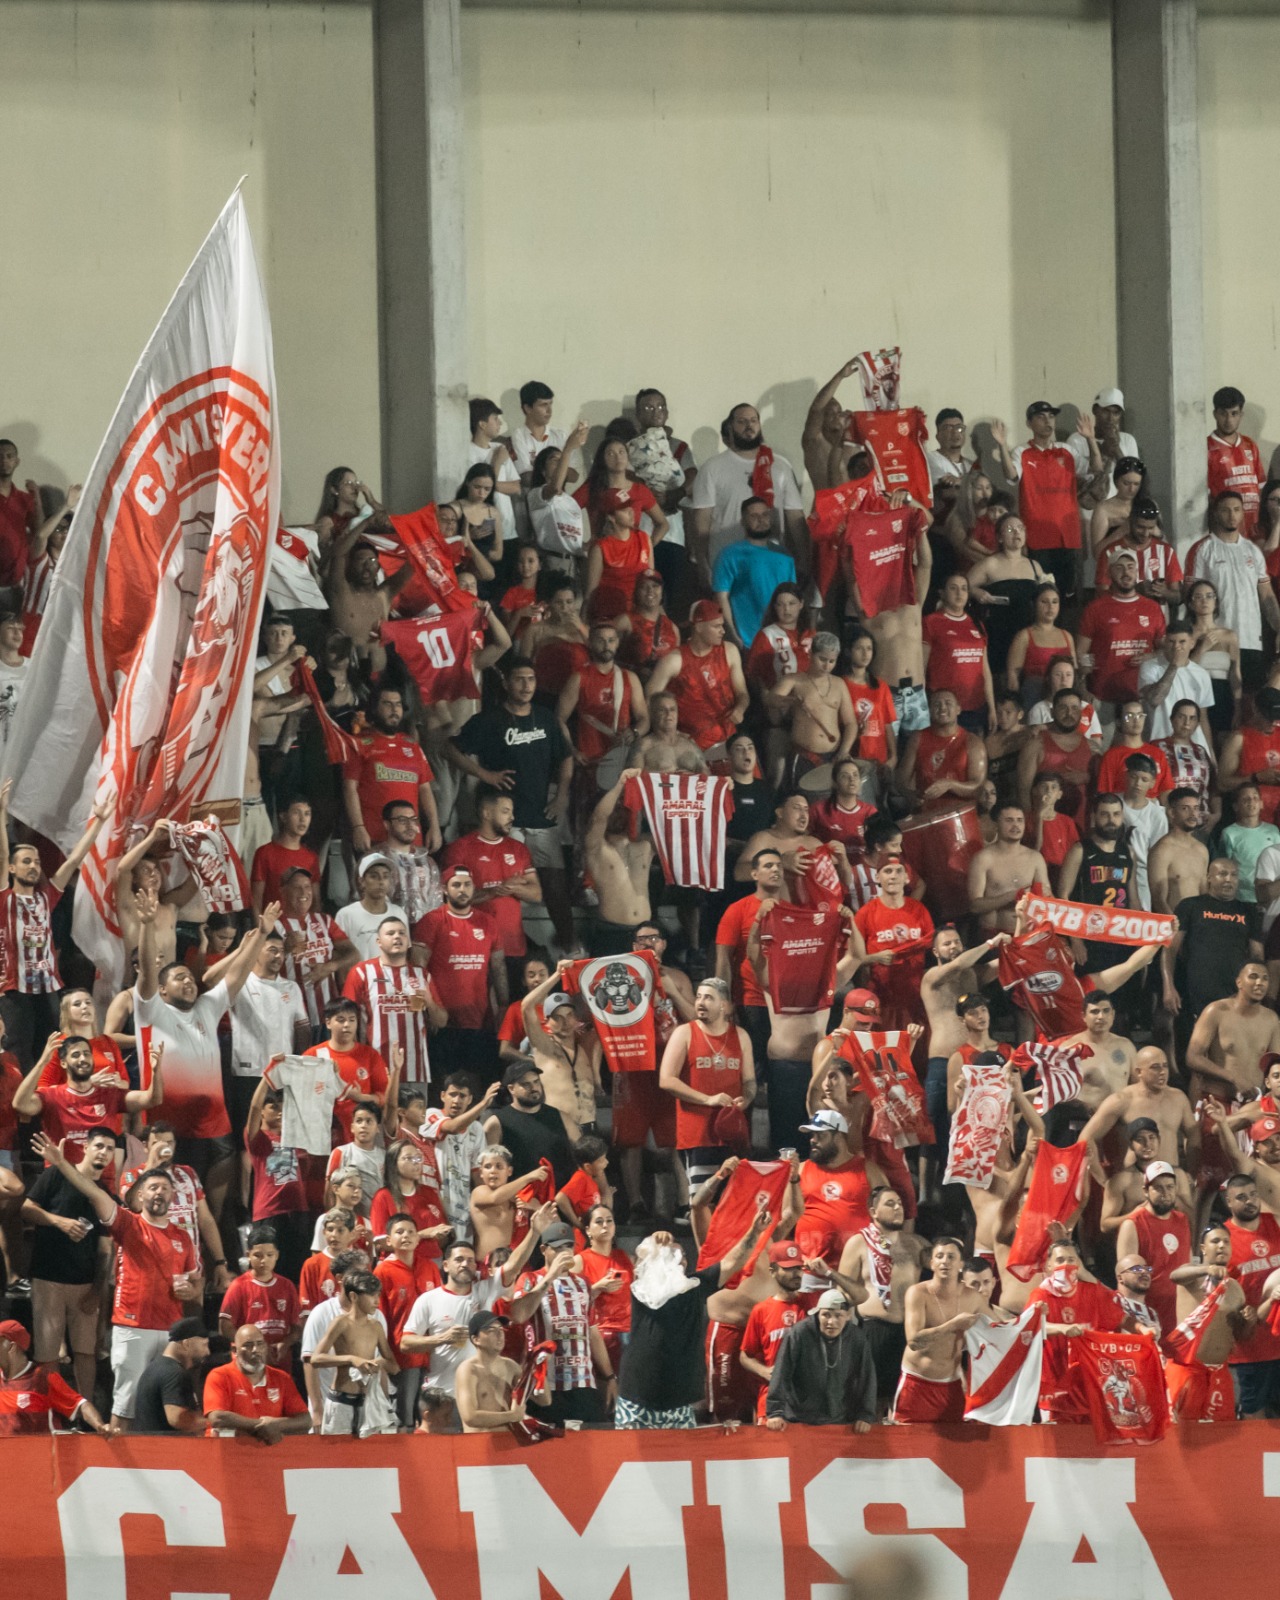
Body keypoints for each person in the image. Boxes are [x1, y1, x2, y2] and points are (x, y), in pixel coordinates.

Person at [615, 1208, 771, 1429]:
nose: (679, 1260)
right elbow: (641, 1261)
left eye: (682, 1256)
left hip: (679, 1405)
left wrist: (754, 1232)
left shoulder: (696, 1287)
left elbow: (731, 1263)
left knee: (679, 1462)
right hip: (637, 1401)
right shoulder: (643, 1291)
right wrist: (655, 1242)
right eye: (671, 1256)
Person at [0, 781, 114, 1067]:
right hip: (15, 990)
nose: (33, 866)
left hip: (48, 987)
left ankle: (45, 1106)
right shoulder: (5, 898)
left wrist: (98, 823)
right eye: (26, 861)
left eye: (36, 861)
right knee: (18, 1054)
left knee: (51, 1050)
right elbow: (3, 855)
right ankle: (20, 1108)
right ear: (12, 869)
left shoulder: (47, 896)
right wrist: (2, 816)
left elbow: (75, 857)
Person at [400, 1212, 550, 1427]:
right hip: (442, 1396)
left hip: (479, 1398)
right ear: (446, 1265)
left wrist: (534, 1233)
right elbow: (405, 1344)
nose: (465, 1264)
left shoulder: (485, 1290)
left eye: (470, 1260)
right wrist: (441, 1339)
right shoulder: (429, 1300)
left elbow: (514, 1265)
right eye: (459, 1259)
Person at [21, 1127, 115, 1398]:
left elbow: (105, 1251)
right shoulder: (56, 1174)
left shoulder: (103, 1194)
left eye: (110, 1148)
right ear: (85, 1147)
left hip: (84, 1284)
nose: (104, 1153)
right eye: (99, 1145)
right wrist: (59, 1222)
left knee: (86, 1353)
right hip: (48, 1277)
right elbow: (26, 1210)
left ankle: (84, 1412)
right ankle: (52, 1411)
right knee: (48, 1354)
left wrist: (97, 1290)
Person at [659, 977, 756, 1188]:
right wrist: (708, 1099)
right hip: (698, 1134)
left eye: (708, 998)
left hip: (732, 1134)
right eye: (699, 997)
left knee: (732, 1202)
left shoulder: (741, 1036)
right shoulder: (684, 1033)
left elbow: (749, 1081)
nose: (701, 1003)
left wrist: (746, 1099)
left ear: (724, 1005)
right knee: (703, 1201)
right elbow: (666, 1080)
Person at [837, 1186, 928, 1409]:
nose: (898, 1208)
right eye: (890, 1203)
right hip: (873, 1330)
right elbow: (843, 1292)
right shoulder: (858, 1243)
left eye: (900, 1203)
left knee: (903, 1398)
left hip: (908, 1331)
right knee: (869, 1399)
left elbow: (945, 1265)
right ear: (873, 1211)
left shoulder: (916, 1243)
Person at [688, 402, 805, 575]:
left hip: (771, 560)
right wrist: (703, 564)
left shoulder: (780, 465)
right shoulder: (712, 467)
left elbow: (795, 516)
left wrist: (804, 560)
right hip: (726, 562)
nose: (749, 426)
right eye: (742, 421)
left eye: (753, 421)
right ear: (730, 427)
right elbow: (701, 521)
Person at [414, 865, 507, 1079]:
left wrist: (502, 1007)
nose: (462, 890)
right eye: (456, 885)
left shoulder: (488, 923)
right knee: (444, 1087)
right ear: (445, 889)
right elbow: (417, 971)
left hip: (479, 1021)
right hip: (443, 1023)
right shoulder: (432, 921)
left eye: (467, 884)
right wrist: (425, 1010)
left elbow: (499, 968)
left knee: (477, 1084)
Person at [895, 1237, 997, 1422]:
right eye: (939, 1256)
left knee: (952, 1449)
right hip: (917, 1382)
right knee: (907, 1445)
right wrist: (952, 1326)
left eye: (951, 1257)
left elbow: (1000, 1329)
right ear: (932, 1263)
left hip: (951, 1384)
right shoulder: (918, 1293)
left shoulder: (972, 1297)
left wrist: (1037, 1317)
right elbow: (914, 1341)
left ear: (960, 1264)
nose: (945, 1261)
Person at [1186, 491, 1279, 691]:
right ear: (1215, 513)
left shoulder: (1253, 551)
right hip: (1215, 641)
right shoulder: (1202, 549)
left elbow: (1267, 596)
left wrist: (1279, 627)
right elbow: (1190, 595)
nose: (1232, 515)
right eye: (1226, 510)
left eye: (1237, 510)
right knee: (1222, 703)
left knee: (1249, 701)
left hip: (1252, 640)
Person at [1164, 866, 1264, 1049]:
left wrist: (1256, 991)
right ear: (1208, 877)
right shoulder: (1190, 905)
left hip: (1235, 995)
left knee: (1230, 1050)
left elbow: (1257, 955)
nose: (1228, 879)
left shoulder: (1248, 910)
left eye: (1233, 875)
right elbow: (1170, 947)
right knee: (1194, 1052)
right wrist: (1168, 985)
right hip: (1195, 992)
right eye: (1222, 874)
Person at [1011, 399, 1100, 598]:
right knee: (1040, 596)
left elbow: (1096, 468)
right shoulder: (1021, 452)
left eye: (1051, 416)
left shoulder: (1066, 451)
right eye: (1041, 417)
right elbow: (1011, 476)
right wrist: (1001, 445)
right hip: (1037, 537)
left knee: (1069, 597)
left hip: (1068, 536)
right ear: (1029, 423)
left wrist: (1091, 439)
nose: (1047, 421)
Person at [646, 602, 750, 761]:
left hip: (729, 738)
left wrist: (740, 708)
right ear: (699, 627)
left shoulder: (729, 651)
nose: (723, 631)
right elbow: (649, 701)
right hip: (692, 745)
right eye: (716, 626)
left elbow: (742, 692)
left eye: (722, 625)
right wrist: (672, 732)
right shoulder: (673, 660)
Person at [763, 1287, 877, 1432]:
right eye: (826, 1315)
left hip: (840, 1417)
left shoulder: (857, 1338)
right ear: (817, 1314)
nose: (831, 1321)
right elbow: (782, 1372)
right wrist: (775, 1412)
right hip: (800, 1418)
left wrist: (865, 1415)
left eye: (838, 1315)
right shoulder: (799, 1333)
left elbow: (866, 1377)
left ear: (848, 1316)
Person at [1165, 1225, 1244, 1422]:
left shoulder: (1235, 1288)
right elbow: (1174, 1275)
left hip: (1220, 1372)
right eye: (1215, 1241)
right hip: (1188, 1371)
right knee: (1180, 1439)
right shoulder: (1191, 1276)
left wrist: (1248, 1321)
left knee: (1220, 1439)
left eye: (1226, 1242)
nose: (1221, 1246)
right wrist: (1206, 1269)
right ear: (1202, 1248)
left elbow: (1242, 1336)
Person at [1076, 548, 1166, 718]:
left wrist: (1151, 656)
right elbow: (1080, 652)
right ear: (1109, 573)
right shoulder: (1095, 609)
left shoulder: (1152, 608)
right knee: (1101, 745)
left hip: (1141, 698)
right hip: (1103, 697)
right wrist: (1083, 685)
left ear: (1137, 572)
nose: (1126, 572)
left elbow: (1166, 650)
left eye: (1131, 567)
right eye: (1120, 568)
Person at [308, 1269, 399, 1436]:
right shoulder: (341, 1323)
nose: (376, 1301)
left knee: (370, 1458)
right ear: (354, 1296)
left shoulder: (376, 1326)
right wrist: (351, 1359)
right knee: (337, 1458)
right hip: (342, 1400)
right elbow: (315, 1359)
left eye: (377, 1295)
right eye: (371, 1296)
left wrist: (379, 1363)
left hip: (369, 1402)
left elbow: (394, 1367)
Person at [1077, 1046, 1198, 1171]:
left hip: (1170, 1181)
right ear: (1139, 1072)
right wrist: (1104, 1182)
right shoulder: (1122, 1100)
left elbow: (1194, 1134)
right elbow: (1085, 1139)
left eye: (1165, 1066)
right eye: (1155, 1067)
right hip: (1134, 1182)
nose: (1162, 1072)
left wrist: (1192, 1174)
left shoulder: (1178, 1098)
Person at [1220, 1172, 1280, 1417]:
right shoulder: (1222, 1239)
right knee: (1253, 1418)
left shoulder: (1275, 1223)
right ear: (1229, 1202)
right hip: (1251, 1348)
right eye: (1241, 1197)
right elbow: (1219, 1297)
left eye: (1253, 1195)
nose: (1250, 1201)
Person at [850, 857, 934, 1028]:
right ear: (877, 878)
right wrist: (874, 957)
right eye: (887, 871)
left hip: (916, 999)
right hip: (881, 1000)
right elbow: (852, 958)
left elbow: (934, 949)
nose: (893, 876)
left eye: (898, 871)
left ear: (907, 878)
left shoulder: (919, 910)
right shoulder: (866, 914)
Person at [1113, 1161, 1191, 1339]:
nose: (1166, 1193)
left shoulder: (1182, 1220)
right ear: (1145, 1191)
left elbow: (1187, 1262)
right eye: (1159, 1188)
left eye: (1170, 1187)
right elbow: (1126, 1279)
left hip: (1179, 1313)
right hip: (1149, 1318)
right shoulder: (1133, 1224)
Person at [1185, 960, 1280, 1105]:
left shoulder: (1271, 1019)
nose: (1260, 982)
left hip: (1254, 1104)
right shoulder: (1216, 1011)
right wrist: (1233, 1077)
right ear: (1239, 982)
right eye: (1253, 976)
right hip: (1216, 1101)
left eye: (1265, 978)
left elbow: (1276, 1063)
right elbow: (1192, 1057)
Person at [521, 963, 601, 1131]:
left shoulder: (586, 1046)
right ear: (547, 1022)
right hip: (559, 1128)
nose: (564, 1023)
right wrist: (557, 974)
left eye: (569, 1016)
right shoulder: (545, 1048)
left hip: (589, 1126)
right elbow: (527, 1007)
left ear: (576, 1018)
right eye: (557, 1018)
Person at [0, 1316, 112, 1437]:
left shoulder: (43, 1378)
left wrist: (100, 1426)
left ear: (12, 1348)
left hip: (39, 1452)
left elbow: (81, 1405)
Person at [767, 633, 855, 785]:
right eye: (822, 659)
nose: (827, 666)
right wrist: (791, 701)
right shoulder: (795, 680)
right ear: (811, 654)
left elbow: (850, 723)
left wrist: (844, 751)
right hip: (803, 755)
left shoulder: (839, 684)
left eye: (831, 661)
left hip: (834, 755)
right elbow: (771, 699)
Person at [203, 1321, 312, 1441]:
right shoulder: (220, 1375)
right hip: (226, 1450)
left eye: (260, 1344)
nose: (256, 1349)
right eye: (248, 1345)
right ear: (235, 1350)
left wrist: (275, 1425)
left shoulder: (281, 1378)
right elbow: (218, 1418)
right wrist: (261, 1425)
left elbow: (305, 1420)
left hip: (267, 1452)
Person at [711, 496, 797, 648]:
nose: (761, 520)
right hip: (747, 642)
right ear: (743, 521)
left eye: (764, 515)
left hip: (783, 642)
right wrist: (732, 635)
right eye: (754, 516)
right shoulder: (730, 555)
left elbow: (792, 598)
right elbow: (721, 598)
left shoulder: (785, 556)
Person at [583, 768, 653, 950]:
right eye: (613, 810)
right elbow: (599, 818)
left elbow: (673, 824)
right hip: (612, 931)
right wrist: (619, 785)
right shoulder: (597, 848)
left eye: (622, 809)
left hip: (646, 932)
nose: (617, 814)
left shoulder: (646, 846)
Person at [485, 1058, 579, 1191]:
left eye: (536, 1082)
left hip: (562, 1200)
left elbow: (585, 1156)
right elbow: (488, 1171)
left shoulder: (561, 1117)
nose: (534, 1088)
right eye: (526, 1084)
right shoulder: (497, 1123)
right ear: (511, 1089)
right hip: (521, 1202)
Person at [218, 1223, 302, 1367]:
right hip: (248, 1362)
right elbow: (225, 1327)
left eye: (270, 1255)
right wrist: (253, 1347)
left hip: (279, 1360)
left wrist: (285, 1343)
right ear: (248, 1255)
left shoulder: (287, 1286)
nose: (264, 1260)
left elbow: (297, 1328)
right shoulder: (239, 1286)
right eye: (258, 1255)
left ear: (277, 1255)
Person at [922, 574, 996, 733]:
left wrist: (991, 707)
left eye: (964, 589)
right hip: (944, 708)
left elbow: (985, 670)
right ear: (942, 593)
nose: (959, 593)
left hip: (976, 706)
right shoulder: (931, 622)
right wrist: (923, 704)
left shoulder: (977, 624)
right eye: (953, 588)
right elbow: (921, 667)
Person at [966, 802, 1050, 935]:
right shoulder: (983, 859)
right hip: (994, 936)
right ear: (996, 825)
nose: (1016, 825)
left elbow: (1048, 899)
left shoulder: (1035, 858)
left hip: (1029, 935)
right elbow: (975, 906)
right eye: (1009, 820)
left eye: (1020, 820)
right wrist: (1012, 896)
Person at [1137, 621, 1215, 743]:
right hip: (1159, 741)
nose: (1176, 647)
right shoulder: (1150, 667)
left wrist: (1209, 751)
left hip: (1194, 744)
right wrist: (1174, 665)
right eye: (1171, 642)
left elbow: (1203, 717)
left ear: (1192, 643)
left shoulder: (1202, 674)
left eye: (1182, 642)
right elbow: (1154, 699)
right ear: (1165, 642)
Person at [133, 1317, 211, 1435]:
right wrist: (212, 1423)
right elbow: (177, 1419)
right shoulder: (174, 1373)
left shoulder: (155, 1367)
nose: (207, 1352)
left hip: (149, 1445)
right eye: (204, 1345)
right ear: (187, 1344)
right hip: (164, 1449)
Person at [455, 1309, 526, 1432]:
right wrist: (512, 1416)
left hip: (508, 1443)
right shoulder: (468, 1369)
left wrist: (537, 1363)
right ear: (476, 1339)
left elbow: (544, 1400)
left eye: (501, 1330)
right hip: (480, 1445)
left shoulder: (511, 1366)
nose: (499, 1335)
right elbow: (470, 1417)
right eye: (491, 1331)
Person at [1206, 384, 1263, 524]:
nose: (1228, 420)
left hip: (1256, 527)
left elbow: (1261, 485)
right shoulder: (1206, 448)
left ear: (1241, 415)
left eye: (1234, 413)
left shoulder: (1250, 445)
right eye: (1223, 413)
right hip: (1226, 528)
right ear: (1215, 414)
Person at [1221, 782, 1280, 903]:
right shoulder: (1229, 833)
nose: (1251, 802)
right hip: (1242, 898)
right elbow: (1225, 865)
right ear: (1236, 806)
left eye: (1255, 798)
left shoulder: (1273, 830)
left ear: (1261, 804)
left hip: (1270, 897)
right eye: (1245, 799)